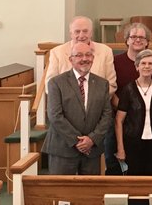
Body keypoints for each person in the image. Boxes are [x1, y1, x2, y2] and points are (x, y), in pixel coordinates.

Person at [42, 42, 112, 174]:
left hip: (91, 150)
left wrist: (91, 139)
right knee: (61, 193)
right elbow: (55, 115)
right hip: (62, 148)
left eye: (88, 55)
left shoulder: (102, 84)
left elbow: (107, 115)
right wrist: (78, 141)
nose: (84, 59)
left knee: (90, 193)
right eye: (79, 55)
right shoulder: (56, 83)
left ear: (93, 58)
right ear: (71, 59)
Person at [106, 22, 152, 175]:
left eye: (142, 37)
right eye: (134, 37)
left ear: (147, 42)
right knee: (116, 164)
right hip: (120, 118)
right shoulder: (115, 62)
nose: (138, 40)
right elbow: (112, 90)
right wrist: (128, 110)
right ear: (127, 40)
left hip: (148, 123)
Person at [115, 50, 152, 175]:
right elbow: (119, 121)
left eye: (150, 64)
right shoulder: (128, 89)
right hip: (132, 144)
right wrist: (120, 148)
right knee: (135, 181)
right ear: (137, 66)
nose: (147, 66)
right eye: (143, 63)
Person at [45, 16, 117, 96]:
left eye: (85, 31)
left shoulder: (105, 51)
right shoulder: (57, 52)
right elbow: (50, 86)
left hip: (97, 105)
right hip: (66, 105)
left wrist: (89, 101)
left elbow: (111, 85)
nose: (81, 35)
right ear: (71, 34)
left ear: (91, 33)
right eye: (77, 31)